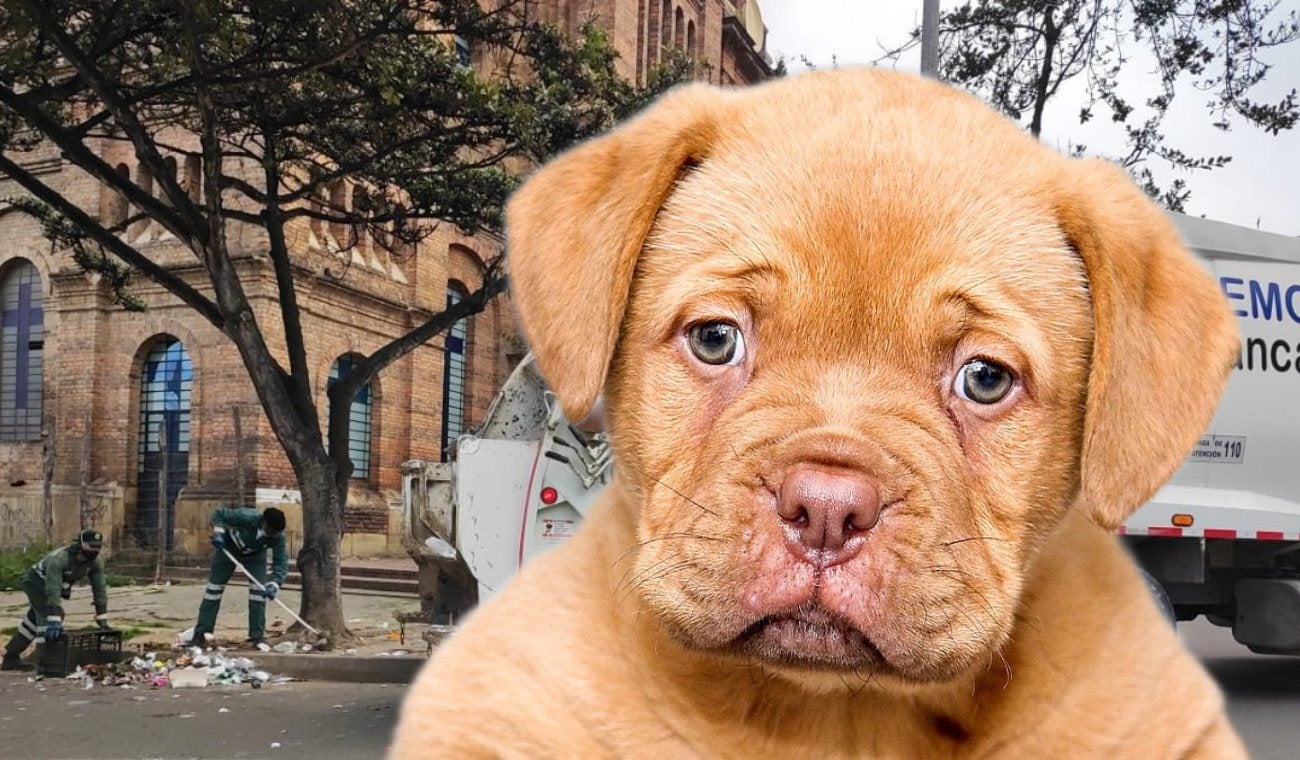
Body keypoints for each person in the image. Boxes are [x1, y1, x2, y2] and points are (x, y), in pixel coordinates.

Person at [2, 529, 110, 671]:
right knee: (48, 618)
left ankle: (11, 657)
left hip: (53, 586)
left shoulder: (95, 563)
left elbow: (99, 589)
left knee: (32, 622)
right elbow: (52, 589)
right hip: (36, 582)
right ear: (80, 545)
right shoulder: (59, 559)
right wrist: (53, 617)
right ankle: (45, 662)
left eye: (98, 546)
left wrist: (102, 619)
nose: (95, 550)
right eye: (91, 546)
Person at [190, 506, 289, 647]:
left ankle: (257, 636)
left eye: (276, 533)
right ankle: (201, 633)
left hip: (255, 557)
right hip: (228, 549)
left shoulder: (278, 536)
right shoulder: (247, 517)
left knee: (258, 594)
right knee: (213, 591)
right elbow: (220, 513)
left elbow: (281, 561)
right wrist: (219, 532)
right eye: (271, 531)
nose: (273, 535)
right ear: (264, 523)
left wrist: (275, 583)